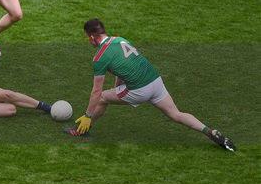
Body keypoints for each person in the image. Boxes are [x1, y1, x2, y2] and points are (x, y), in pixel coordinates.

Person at [67, 18, 236, 152]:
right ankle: (210, 132)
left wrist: (88, 115)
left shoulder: (99, 57)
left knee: (103, 97)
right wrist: (118, 87)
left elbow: (96, 91)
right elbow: (125, 68)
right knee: (176, 114)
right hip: (155, 81)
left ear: (91, 36)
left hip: (140, 90)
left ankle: (82, 129)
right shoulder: (120, 39)